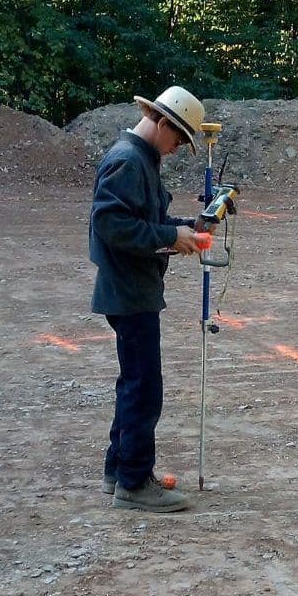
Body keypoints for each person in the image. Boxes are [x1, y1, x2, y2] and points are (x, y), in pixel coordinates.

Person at [88, 86, 206, 512]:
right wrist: (170, 236)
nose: (177, 149)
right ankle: (135, 483)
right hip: (129, 290)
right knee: (144, 389)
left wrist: (186, 229)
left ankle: (119, 470)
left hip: (133, 288)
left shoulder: (140, 159)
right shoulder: (128, 160)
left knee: (134, 384)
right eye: (179, 139)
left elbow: (145, 221)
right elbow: (111, 224)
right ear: (162, 123)